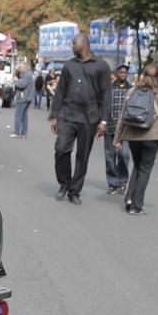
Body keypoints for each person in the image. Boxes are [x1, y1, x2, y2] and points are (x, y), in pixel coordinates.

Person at [49, 32, 111, 205]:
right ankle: (64, 183)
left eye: (73, 42)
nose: (71, 45)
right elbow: (60, 91)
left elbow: (106, 95)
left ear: (84, 44)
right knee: (61, 149)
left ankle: (74, 191)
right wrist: (55, 116)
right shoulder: (69, 65)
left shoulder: (101, 66)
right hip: (68, 115)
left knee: (83, 156)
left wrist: (104, 121)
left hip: (89, 118)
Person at [113, 63, 158, 215]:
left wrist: (118, 138)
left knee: (137, 165)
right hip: (152, 135)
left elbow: (122, 117)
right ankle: (136, 205)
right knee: (145, 169)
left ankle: (129, 198)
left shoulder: (131, 91)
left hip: (133, 135)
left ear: (142, 74)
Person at [104, 64, 132, 194]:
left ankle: (122, 182)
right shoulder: (109, 88)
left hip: (126, 129)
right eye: (120, 72)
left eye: (125, 72)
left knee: (124, 155)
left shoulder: (131, 89)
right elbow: (103, 106)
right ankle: (112, 183)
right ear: (116, 73)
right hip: (110, 127)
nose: (123, 74)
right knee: (110, 156)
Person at [10, 61, 34, 138]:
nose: (19, 69)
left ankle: (17, 132)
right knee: (24, 116)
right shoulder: (26, 74)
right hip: (26, 97)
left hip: (23, 98)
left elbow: (22, 85)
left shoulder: (27, 75)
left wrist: (15, 81)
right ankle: (23, 133)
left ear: (24, 67)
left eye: (20, 67)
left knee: (18, 115)